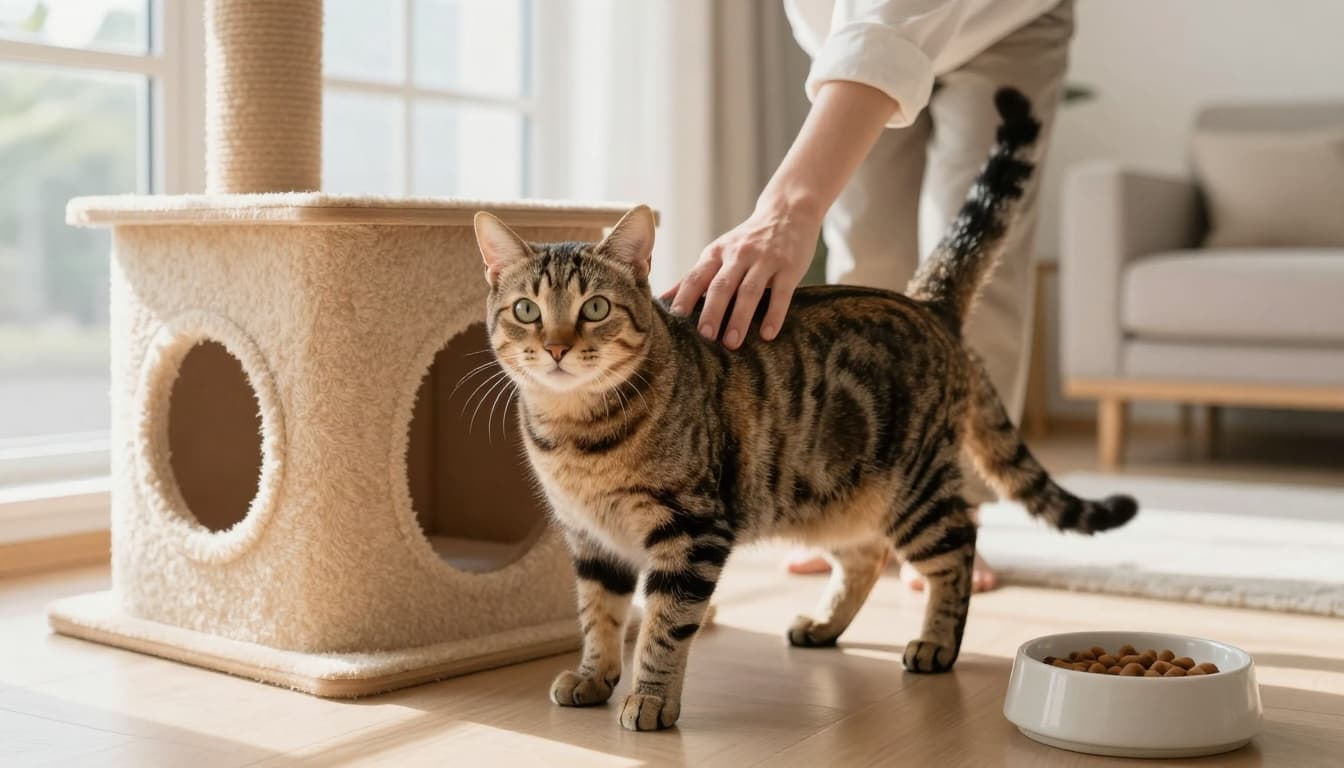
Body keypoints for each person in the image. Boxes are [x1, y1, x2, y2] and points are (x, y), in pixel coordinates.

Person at [664, 0, 1075, 592]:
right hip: (844, 26)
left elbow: (894, 17)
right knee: (865, 254)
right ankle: (859, 510)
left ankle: (950, 510)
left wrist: (787, 208)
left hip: (1004, 19)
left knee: (971, 263)